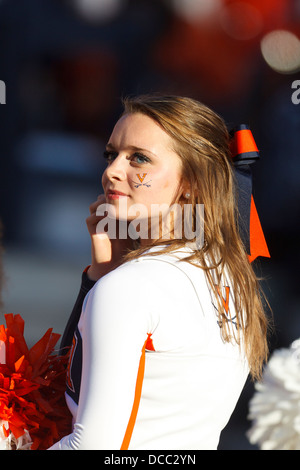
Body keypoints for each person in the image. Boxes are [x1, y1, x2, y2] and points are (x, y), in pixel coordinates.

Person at [49, 94, 269, 450]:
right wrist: (100, 275)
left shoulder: (130, 288)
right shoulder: (232, 280)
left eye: (139, 158)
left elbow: (91, 447)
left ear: (190, 185)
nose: (112, 172)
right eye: (112, 154)